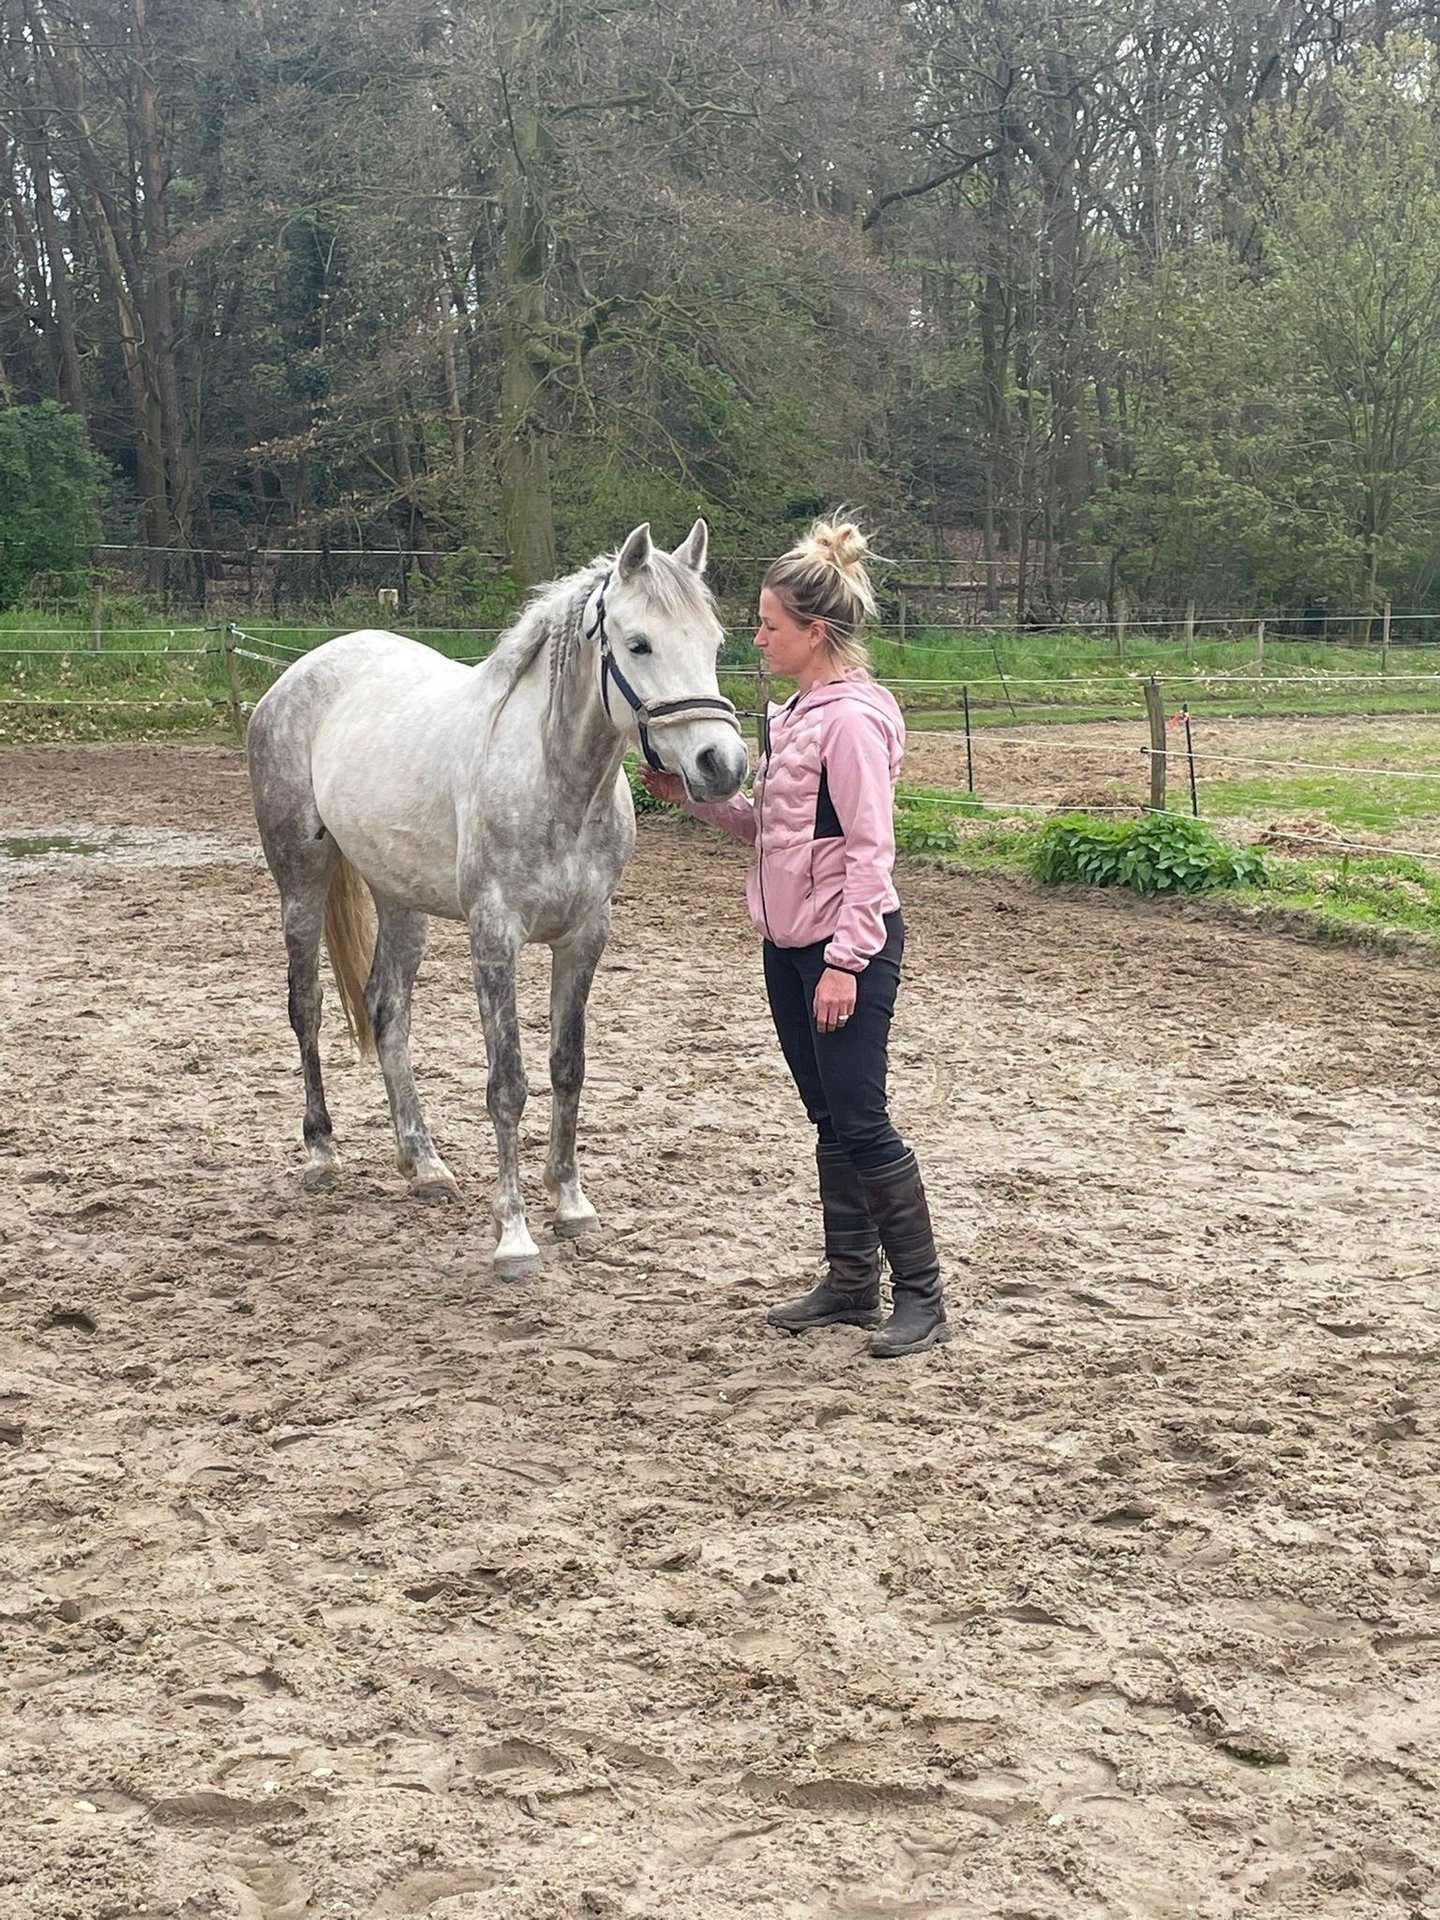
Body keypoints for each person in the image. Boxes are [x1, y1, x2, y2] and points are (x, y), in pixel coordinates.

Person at [641, 517, 949, 1358]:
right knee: (829, 1116)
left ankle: (922, 1297)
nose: (758, 637)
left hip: (842, 946)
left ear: (815, 633)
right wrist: (694, 800)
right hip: (787, 944)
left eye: (769, 624)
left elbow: (871, 851)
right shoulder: (800, 714)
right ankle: (851, 1283)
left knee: (863, 1120)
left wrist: (845, 962)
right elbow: (775, 831)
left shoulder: (849, 722)